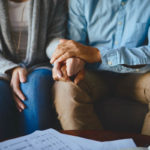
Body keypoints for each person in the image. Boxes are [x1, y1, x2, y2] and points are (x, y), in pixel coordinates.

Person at [50, 0, 150, 135]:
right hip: (94, 74)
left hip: (136, 75)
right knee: (65, 87)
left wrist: (97, 54)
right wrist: (71, 59)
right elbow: (75, 44)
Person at [0, 0, 67, 140]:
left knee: (35, 88)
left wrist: (61, 53)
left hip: (40, 63)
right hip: (2, 66)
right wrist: (11, 68)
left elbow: (55, 37)